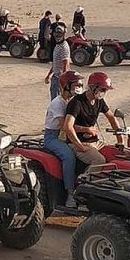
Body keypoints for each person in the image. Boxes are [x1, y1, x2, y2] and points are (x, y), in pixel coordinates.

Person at [43, 70, 84, 209]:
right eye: (76, 84)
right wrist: (86, 130)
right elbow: (65, 127)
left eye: (80, 84)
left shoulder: (73, 101)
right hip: (53, 137)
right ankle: (70, 195)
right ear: (66, 86)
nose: (79, 87)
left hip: (66, 135)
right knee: (69, 156)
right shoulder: (57, 103)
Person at [63, 71, 120, 170]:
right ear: (93, 87)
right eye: (103, 89)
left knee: (118, 154)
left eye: (106, 90)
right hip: (78, 143)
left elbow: (111, 117)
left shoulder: (99, 101)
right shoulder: (77, 102)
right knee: (99, 160)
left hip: (95, 142)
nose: (104, 92)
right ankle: (85, 181)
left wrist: (120, 140)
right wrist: (80, 146)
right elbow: (68, 126)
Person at [44, 24, 71, 100]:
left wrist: (63, 82)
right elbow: (56, 63)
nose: (57, 37)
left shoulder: (64, 47)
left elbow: (65, 65)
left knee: (57, 101)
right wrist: (49, 75)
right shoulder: (58, 45)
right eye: (56, 34)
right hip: (55, 77)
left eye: (59, 34)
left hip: (59, 79)